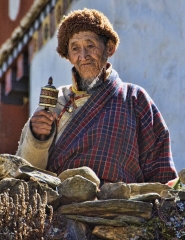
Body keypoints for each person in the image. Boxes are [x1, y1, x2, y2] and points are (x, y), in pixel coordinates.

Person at [16, 8, 177, 185]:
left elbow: (161, 174)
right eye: (75, 48)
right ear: (68, 56)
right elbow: (25, 173)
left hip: (121, 208)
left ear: (109, 47)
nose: (83, 56)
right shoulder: (55, 102)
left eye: (90, 45)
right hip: (60, 208)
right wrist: (38, 138)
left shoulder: (134, 99)